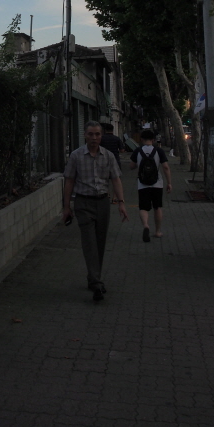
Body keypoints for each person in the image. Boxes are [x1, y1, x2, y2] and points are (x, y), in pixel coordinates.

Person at [63, 120, 128, 301]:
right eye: (90, 134)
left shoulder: (108, 156)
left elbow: (116, 179)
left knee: (99, 243)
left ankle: (93, 278)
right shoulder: (76, 156)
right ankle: (96, 282)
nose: (94, 137)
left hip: (103, 203)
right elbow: (69, 181)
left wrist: (121, 203)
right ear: (85, 135)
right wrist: (66, 207)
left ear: (101, 136)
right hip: (83, 203)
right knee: (89, 242)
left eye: (97, 134)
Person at [133, 128, 172, 242]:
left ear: (141, 139)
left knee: (143, 207)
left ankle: (146, 225)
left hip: (142, 184)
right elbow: (165, 167)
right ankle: (158, 231)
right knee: (157, 207)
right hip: (157, 184)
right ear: (153, 140)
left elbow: (131, 166)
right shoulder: (159, 151)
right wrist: (169, 183)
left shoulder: (137, 150)